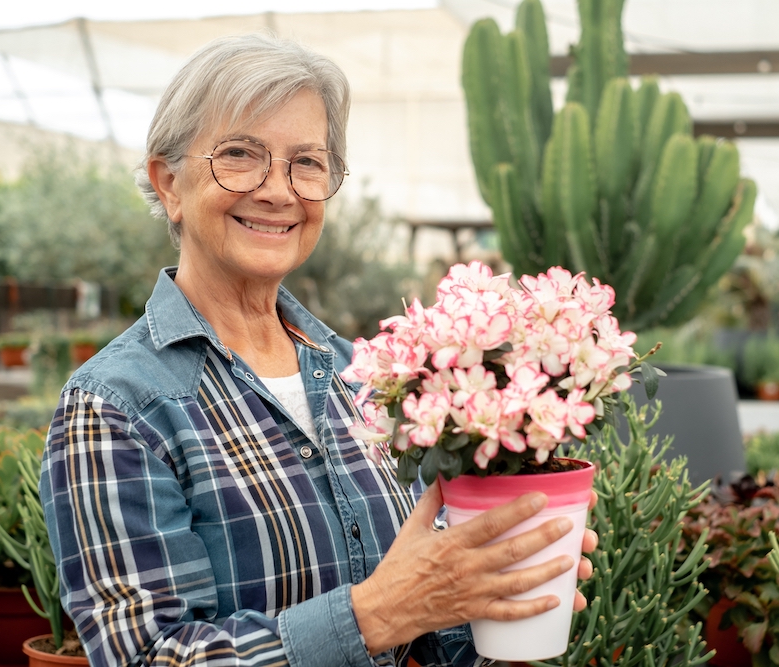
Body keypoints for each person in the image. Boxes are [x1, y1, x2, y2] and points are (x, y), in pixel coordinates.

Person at [40, 33, 598, 667]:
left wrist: (503, 586)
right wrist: (381, 613)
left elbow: (432, 623)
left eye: (307, 162)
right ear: (168, 184)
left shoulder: (363, 377)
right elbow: (146, 656)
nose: (279, 190)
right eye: (240, 155)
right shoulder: (114, 407)